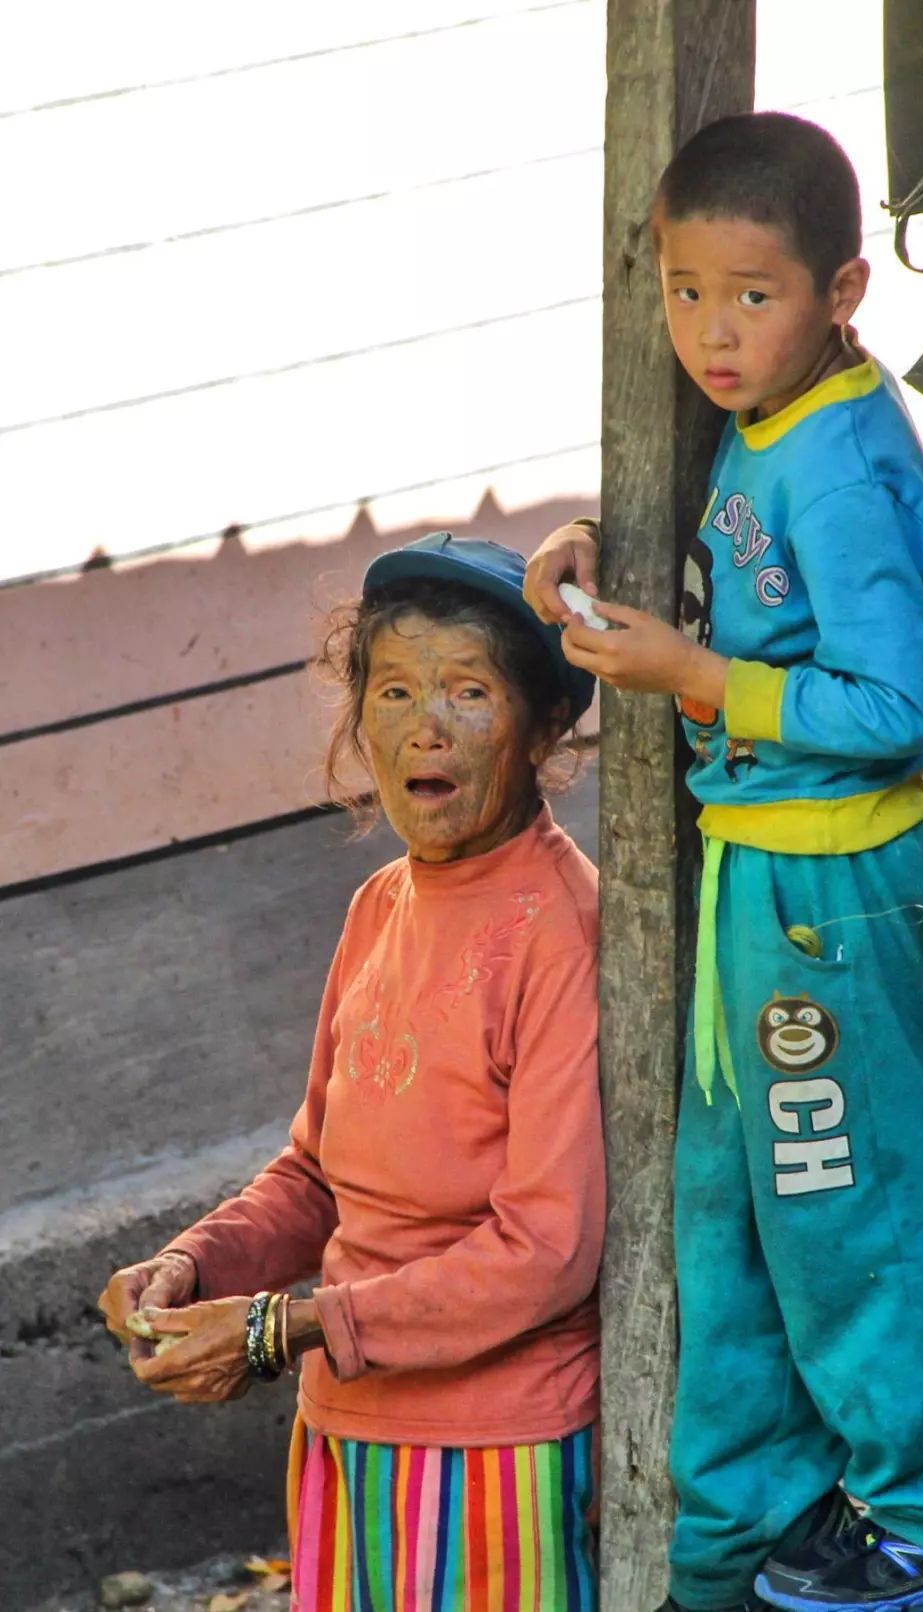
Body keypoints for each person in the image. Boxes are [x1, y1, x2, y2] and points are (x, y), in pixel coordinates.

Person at [524, 112, 923, 1612]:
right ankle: (748, 1533)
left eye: (752, 294)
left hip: (831, 893)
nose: (711, 330)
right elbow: (726, 567)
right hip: (752, 887)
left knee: (855, 1208)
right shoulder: (762, 427)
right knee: (739, 1211)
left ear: (844, 291)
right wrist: (593, 540)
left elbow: (895, 709)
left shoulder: (844, 455)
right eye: (685, 291)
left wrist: (696, 677)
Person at [99, 534, 603, 1612]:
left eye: (470, 690)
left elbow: (547, 1250)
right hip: (344, 1431)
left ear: (544, 728)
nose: (426, 723)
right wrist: (198, 1267)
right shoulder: (380, 907)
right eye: (396, 688)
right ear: (358, 718)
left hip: (495, 1451)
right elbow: (317, 1174)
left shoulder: (565, 930)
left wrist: (284, 1327)